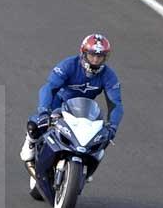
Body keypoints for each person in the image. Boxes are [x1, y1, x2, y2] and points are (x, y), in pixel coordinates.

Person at [20, 33, 123, 162]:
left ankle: (86, 167)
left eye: (100, 56)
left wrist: (112, 126)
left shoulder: (109, 76)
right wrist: (44, 111)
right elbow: (49, 88)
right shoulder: (68, 65)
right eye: (92, 55)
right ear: (84, 53)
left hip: (84, 111)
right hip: (59, 104)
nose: (96, 60)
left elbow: (115, 103)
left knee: (100, 142)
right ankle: (30, 141)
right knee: (35, 125)